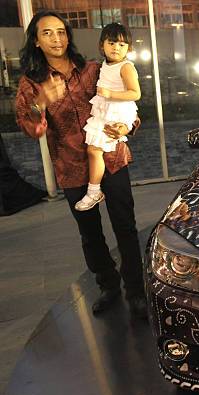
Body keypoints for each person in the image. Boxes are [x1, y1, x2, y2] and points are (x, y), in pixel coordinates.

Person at [15, 11, 147, 319]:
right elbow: (31, 128)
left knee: (125, 226)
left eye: (61, 31)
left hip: (111, 158)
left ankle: (136, 291)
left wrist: (128, 127)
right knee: (90, 233)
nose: (56, 38)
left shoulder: (92, 69)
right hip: (71, 165)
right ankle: (108, 285)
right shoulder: (31, 83)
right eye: (47, 33)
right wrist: (42, 103)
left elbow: (125, 103)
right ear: (36, 40)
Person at [75, 23, 140, 212]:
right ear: (101, 45)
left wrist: (110, 94)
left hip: (117, 112)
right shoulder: (103, 65)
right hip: (107, 110)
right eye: (111, 43)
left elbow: (135, 93)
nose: (116, 48)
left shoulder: (126, 67)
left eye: (122, 44)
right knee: (93, 150)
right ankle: (94, 190)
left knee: (94, 150)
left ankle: (94, 190)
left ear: (129, 48)